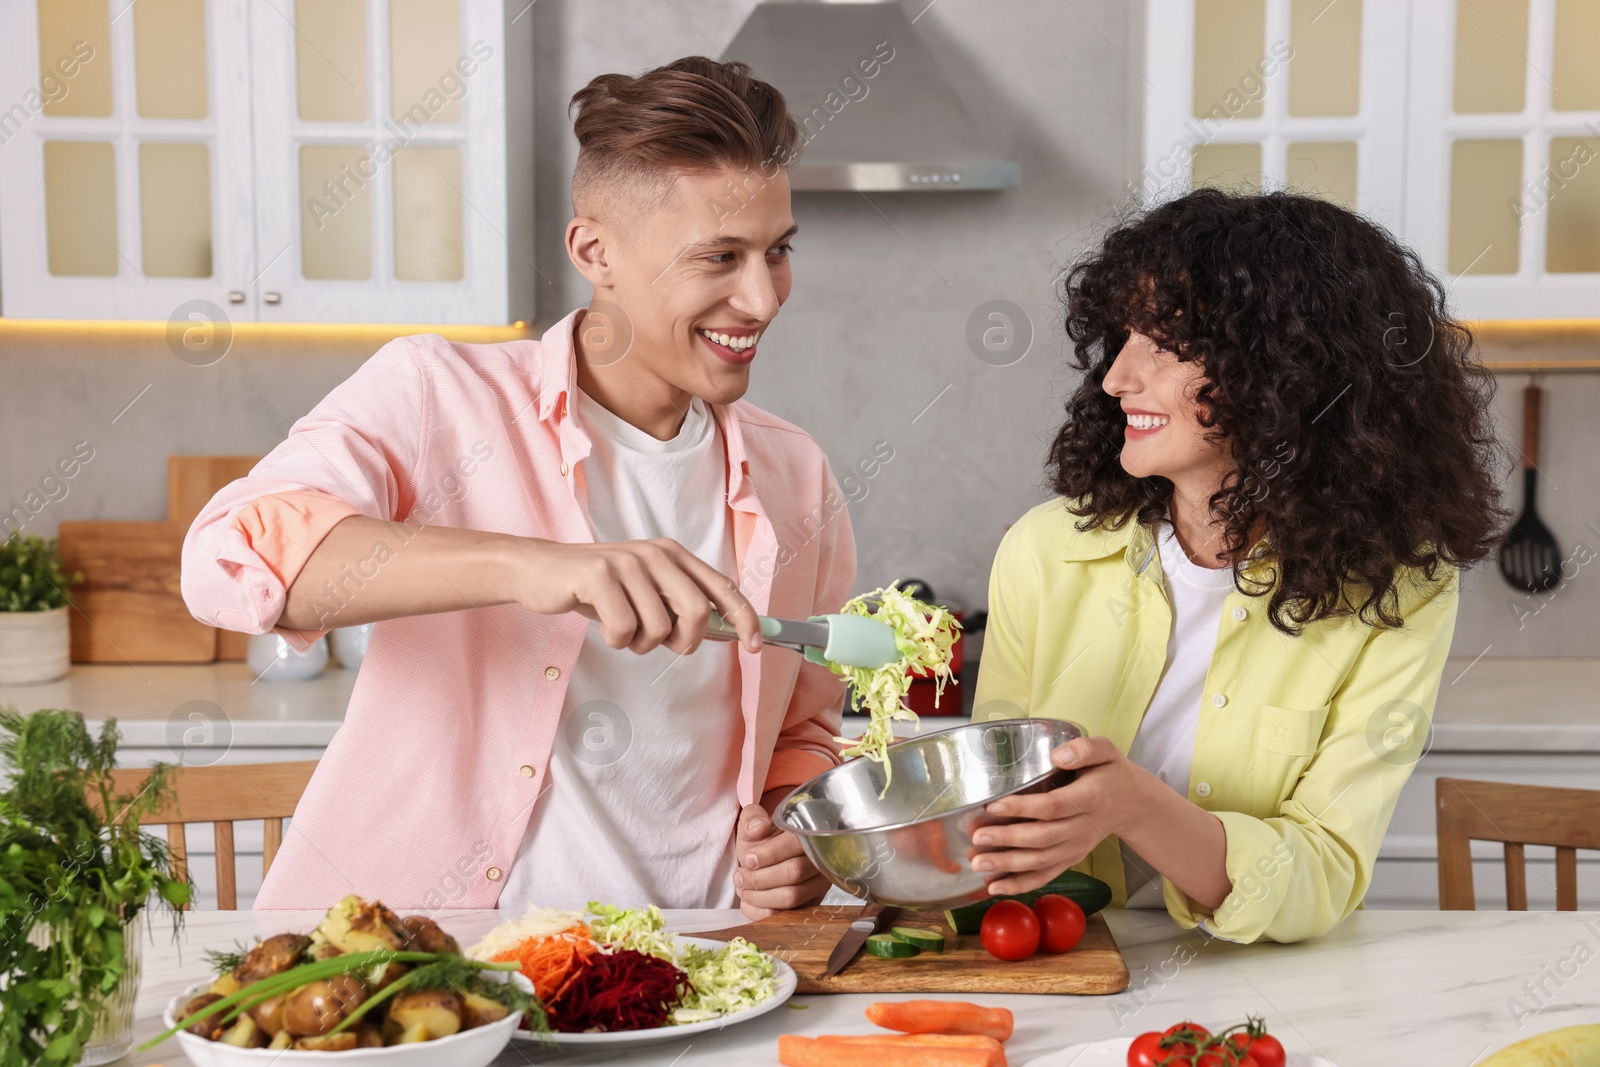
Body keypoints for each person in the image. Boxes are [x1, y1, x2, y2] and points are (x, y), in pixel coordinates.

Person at [181, 57, 851, 919]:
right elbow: (227, 556)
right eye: (720, 257)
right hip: (440, 980)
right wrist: (538, 567)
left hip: (699, 972)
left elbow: (801, 730)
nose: (761, 297)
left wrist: (800, 829)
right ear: (594, 251)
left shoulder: (797, 475)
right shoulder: (439, 396)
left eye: (778, 251)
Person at [971, 188, 1509, 944]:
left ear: (1285, 371)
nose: (1117, 377)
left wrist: (1134, 805)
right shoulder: (1044, 550)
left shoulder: (1400, 588)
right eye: (1124, 337)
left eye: (1164, 343)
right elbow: (990, 812)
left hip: (1268, 991)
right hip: (1062, 960)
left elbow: (1323, 872)